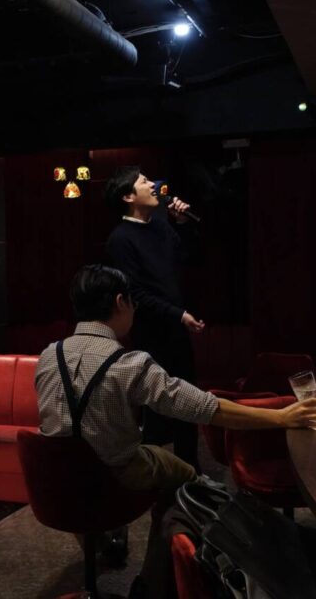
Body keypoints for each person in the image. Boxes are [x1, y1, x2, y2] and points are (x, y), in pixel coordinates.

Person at [35, 265, 316, 597]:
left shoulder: (48, 356)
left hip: (54, 484)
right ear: (120, 302)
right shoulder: (128, 364)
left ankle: (104, 545)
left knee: (122, 460)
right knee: (188, 480)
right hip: (113, 477)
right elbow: (205, 408)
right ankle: (153, 583)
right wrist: (281, 417)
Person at [104, 166, 205, 468]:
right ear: (128, 196)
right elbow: (135, 294)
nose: (153, 185)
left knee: (188, 401)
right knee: (156, 408)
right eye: (144, 181)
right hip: (150, 332)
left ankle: (191, 472)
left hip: (177, 327)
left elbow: (188, 259)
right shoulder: (120, 239)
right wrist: (178, 314)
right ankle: (154, 475)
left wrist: (182, 223)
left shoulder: (161, 225)